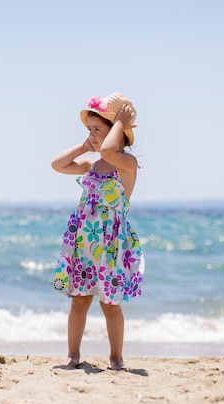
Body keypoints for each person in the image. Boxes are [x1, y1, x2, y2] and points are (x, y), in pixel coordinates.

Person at [51, 92, 145, 371]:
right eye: (88, 130)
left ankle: (116, 356)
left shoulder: (127, 165)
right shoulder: (91, 165)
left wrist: (119, 123)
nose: (92, 134)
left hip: (110, 244)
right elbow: (58, 164)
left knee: (110, 303)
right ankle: (73, 353)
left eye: (97, 129)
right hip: (84, 241)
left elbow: (109, 152)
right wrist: (83, 145)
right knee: (79, 300)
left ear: (118, 132)